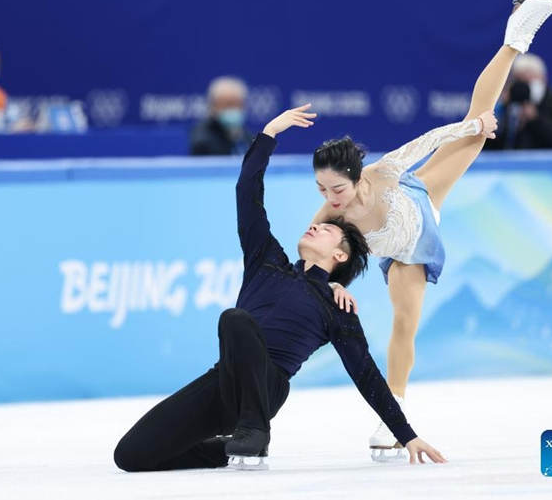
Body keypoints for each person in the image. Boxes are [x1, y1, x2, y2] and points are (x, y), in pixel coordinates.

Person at [114, 105, 446, 472]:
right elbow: (247, 193)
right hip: (224, 385)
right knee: (130, 456)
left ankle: (255, 430)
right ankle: (227, 447)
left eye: (328, 229)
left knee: (235, 320)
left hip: (267, 388)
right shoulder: (266, 260)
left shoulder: (335, 306)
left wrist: (407, 433)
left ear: (339, 253)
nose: (316, 225)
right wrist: (269, 134)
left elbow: (365, 373)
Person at [309, 0, 552, 456]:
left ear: (356, 177)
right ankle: (394, 418)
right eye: (322, 191)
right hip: (404, 255)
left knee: (479, 120)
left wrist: (471, 129)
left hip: (421, 199)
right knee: (405, 323)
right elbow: (308, 259)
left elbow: (426, 141)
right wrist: (327, 286)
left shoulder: (382, 174)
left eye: (336, 190)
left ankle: (515, 37)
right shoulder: (328, 215)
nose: (329, 200)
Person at [487, 52, 552, 149]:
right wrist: (501, 109)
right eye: (519, 81)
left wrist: (536, 120)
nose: (524, 88)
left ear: (543, 79)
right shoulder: (507, 106)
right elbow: (487, 143)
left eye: (528, 81)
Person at [190, 76, 251, 155]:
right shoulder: (201, 140)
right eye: (228, 105)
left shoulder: (247, 137)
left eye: (238, 104)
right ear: (213, 106)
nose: (233, 110)